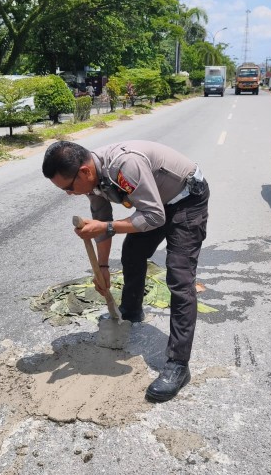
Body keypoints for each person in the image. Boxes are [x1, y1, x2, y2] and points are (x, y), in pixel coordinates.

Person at [42, 140, 209, 402]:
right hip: (156, 203)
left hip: (186, 200)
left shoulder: (124, 166)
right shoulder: (92, 178)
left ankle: (178, 364)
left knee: (180, 278)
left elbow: (152, 218)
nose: (69, 194)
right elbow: (101, 219)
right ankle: (131, 311)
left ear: (84, 172)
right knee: (132, 253)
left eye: (68, 187)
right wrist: (103, 267)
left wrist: (106, 227)